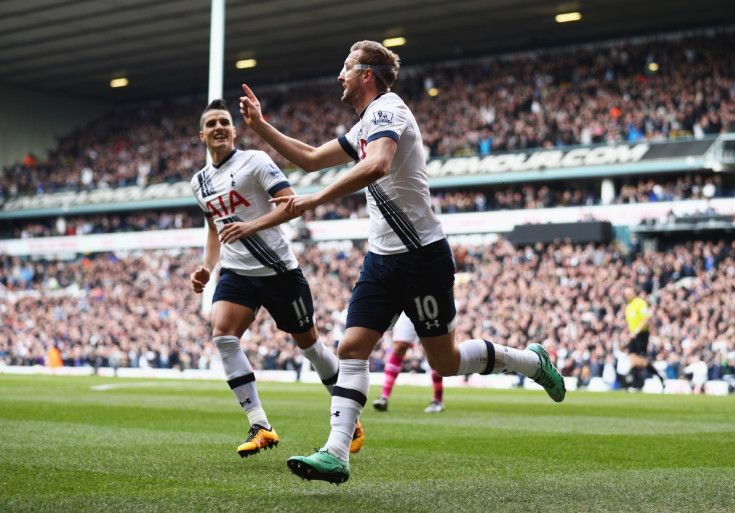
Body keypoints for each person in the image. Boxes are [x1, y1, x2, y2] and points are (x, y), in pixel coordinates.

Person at [239, 40, 565, 484]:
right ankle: (337, 452)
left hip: (422, 257)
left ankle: (531, 362)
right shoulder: (363, 125)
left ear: (366, 74)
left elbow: (377, 165)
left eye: (346, 68)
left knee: (445, 362)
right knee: (352, 348)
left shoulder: (388, 109)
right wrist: (261, 126)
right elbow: (312, 159)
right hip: (382, 260)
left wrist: (315, 200)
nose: (340, 76)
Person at [189, 99, 364, 459]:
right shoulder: (199, 182)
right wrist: (208, 266)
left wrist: (249, 226)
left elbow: (289, 203)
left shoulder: (254, 161)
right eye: (212, 124)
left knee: (310, 346)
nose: (219, 127)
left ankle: (350, 415)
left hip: (280, 272)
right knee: (223, 335)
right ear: (202, 135)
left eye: (225, 121)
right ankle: (260, 425)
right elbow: (214, 227)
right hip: (238, 273)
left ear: (235, 130)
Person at [372, 311, 445, 413]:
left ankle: (438, 399)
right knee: (399, 347)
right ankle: (384, 397)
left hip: (430, 304)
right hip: (408, 305)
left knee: (434, 351)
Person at [623, 287, 665, 390]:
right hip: (633, 335)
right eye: (625, 294)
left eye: (629, 294)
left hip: (641, 334)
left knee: (641, 361)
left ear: (634, 293)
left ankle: (659, 377)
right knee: (633, 360)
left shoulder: (640, 303)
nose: (627, 296)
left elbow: (645, 319)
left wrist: (636, 331)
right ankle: (635, 385)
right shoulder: (629, 306)